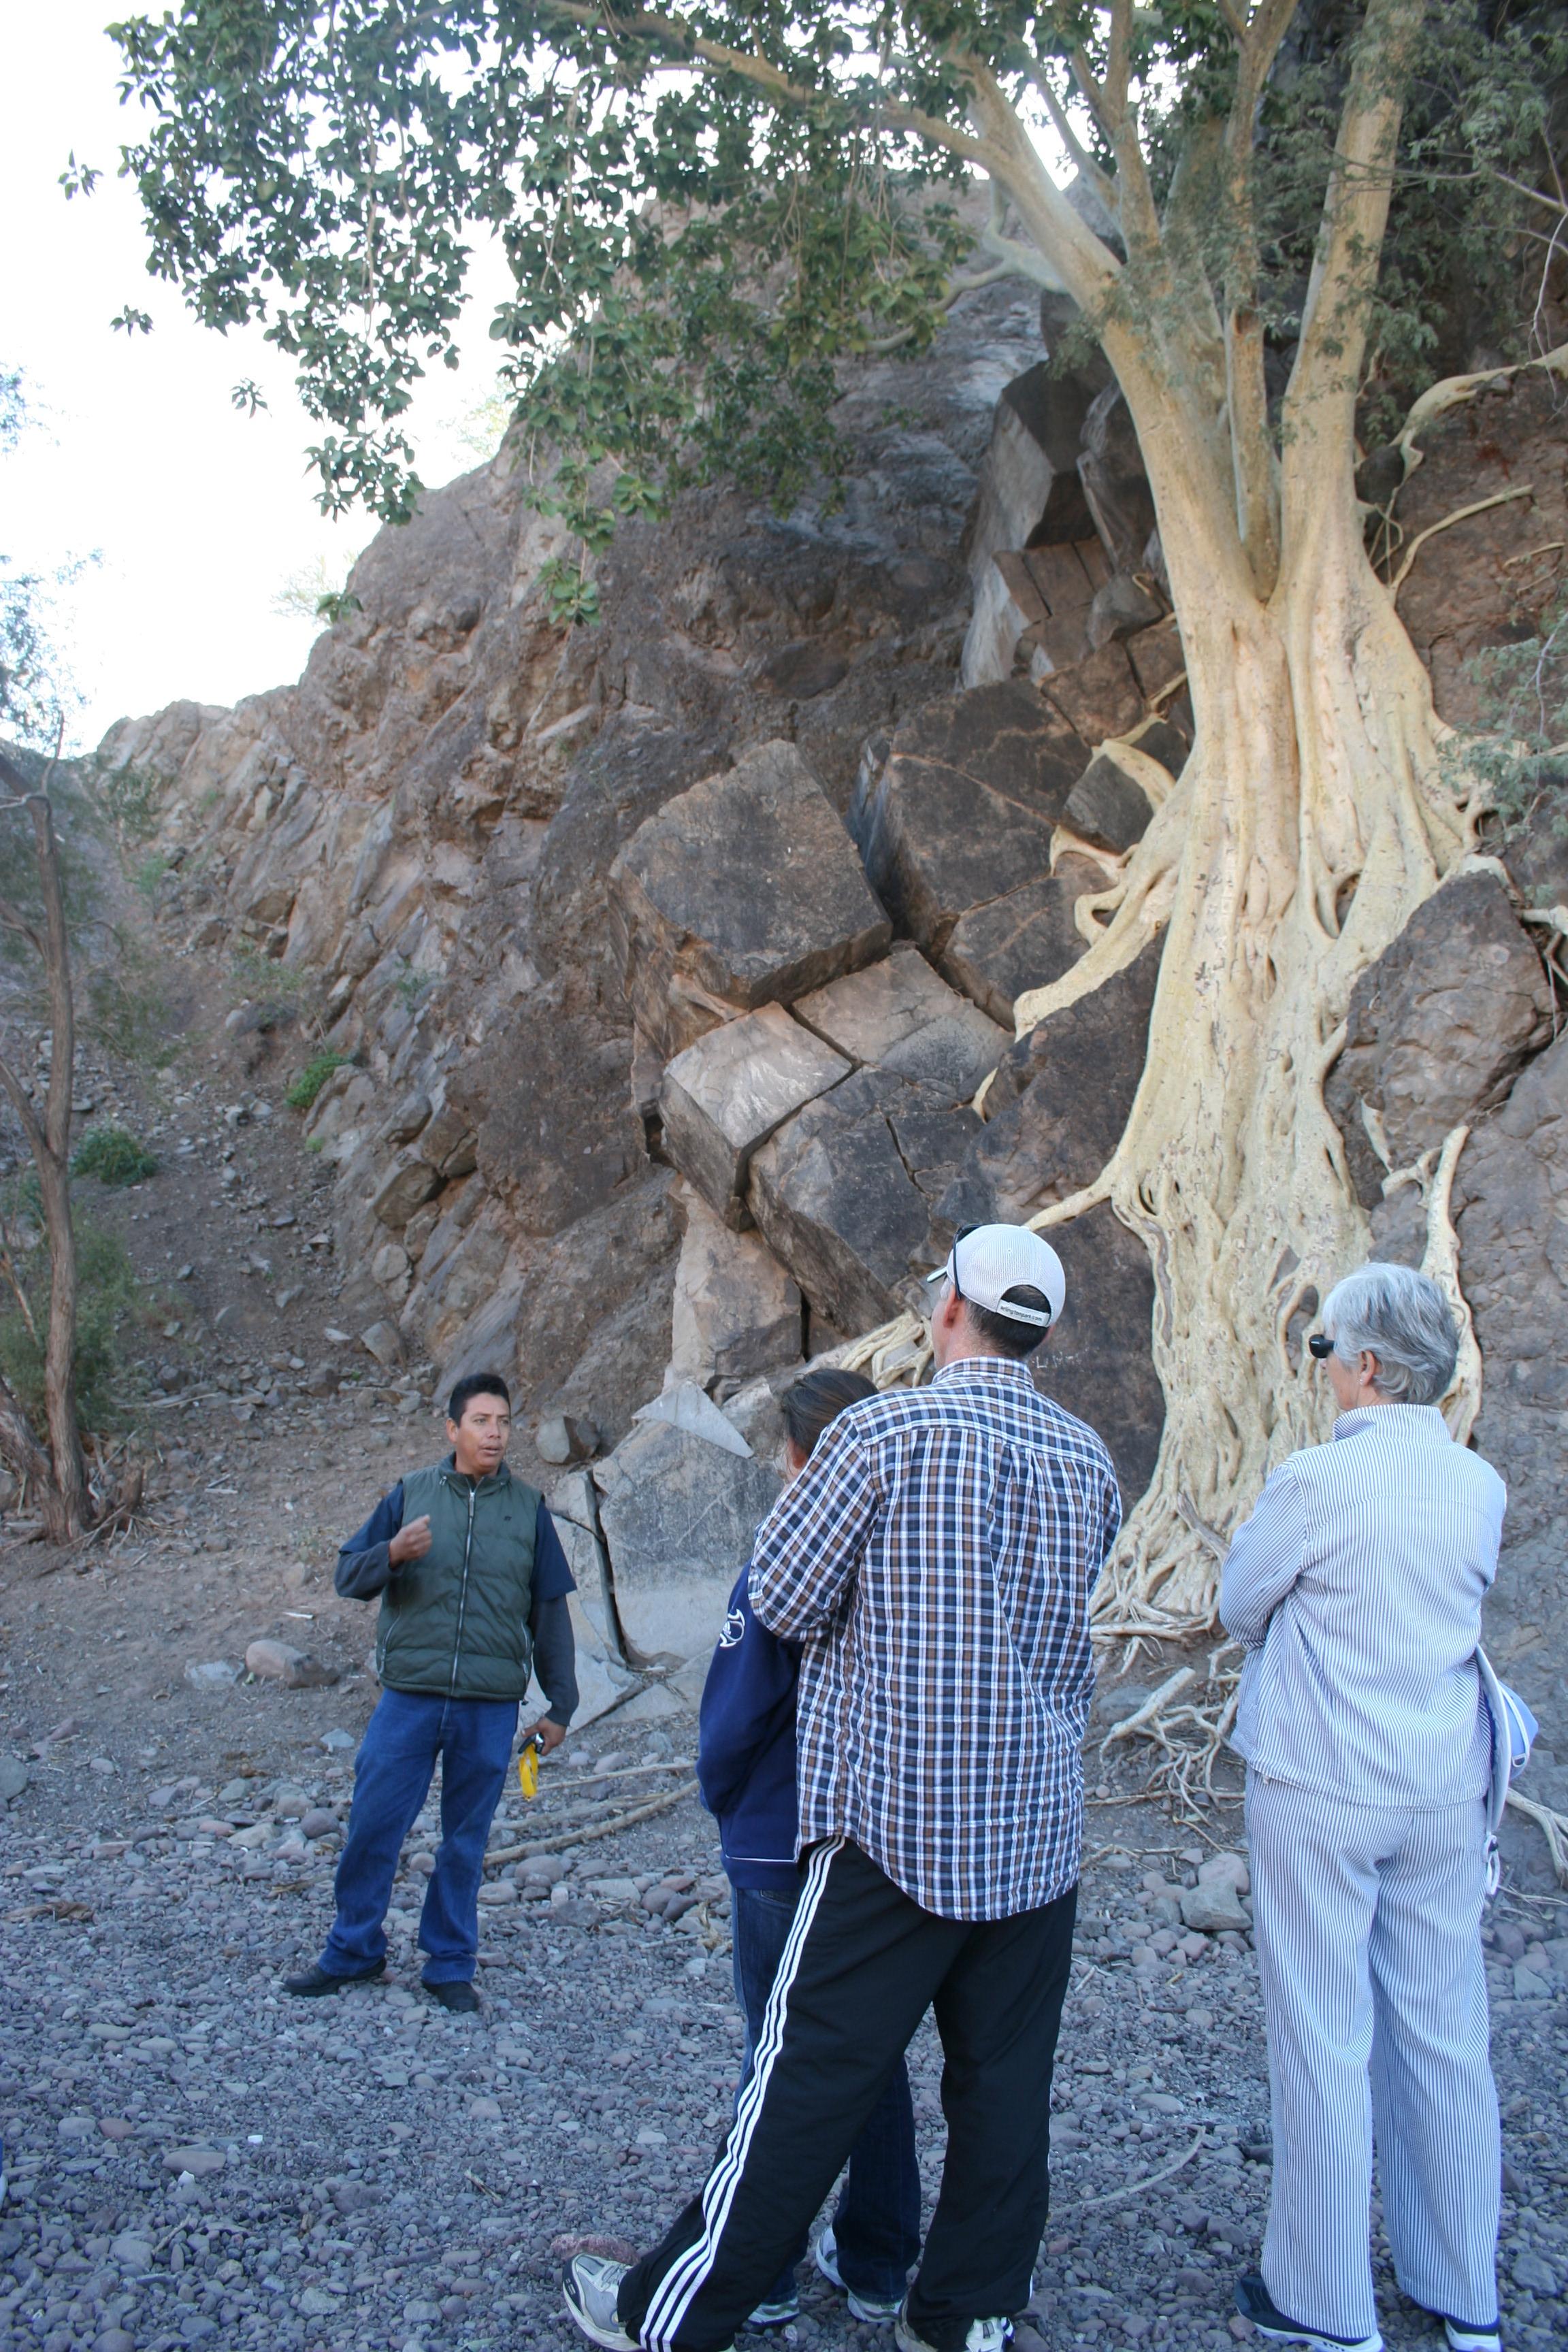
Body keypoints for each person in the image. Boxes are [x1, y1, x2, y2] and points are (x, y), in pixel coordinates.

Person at [564, 1223, 1122, 2352]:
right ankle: (962, 2318)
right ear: (1043, 1331)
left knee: (802, 2081)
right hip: (1033, 1835)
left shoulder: (878, 1433)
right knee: (1002, 2096)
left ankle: (668, 2317)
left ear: (949, 1310)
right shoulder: (1088, 1458)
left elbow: (779, 1599)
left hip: (891, 1829)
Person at [1220, 1263, 1506, 2352]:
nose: (1320, 1369)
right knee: (1446, 2032)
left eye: (1322, 1350)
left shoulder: (1312, 1481)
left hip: (1322, 1778)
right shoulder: (1476, 1486)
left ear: (1369, 1367)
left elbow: (1239, 1606)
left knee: (1321, 2032)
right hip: (1447, 1782)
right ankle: (1464, 2294)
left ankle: (1325, 2300)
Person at [697, 1364, 920, 2331]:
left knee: (774, 2046)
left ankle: (765, 2266)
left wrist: (725, 1798)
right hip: (876, 1843)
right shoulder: (916, 1559)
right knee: (868, 2048)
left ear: (795, 1456)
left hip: (780, 1838)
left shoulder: (787, 1556)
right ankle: (878, 2262)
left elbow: (738, 1708)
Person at [284, 1371, 578, 2014]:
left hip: (489, 1705)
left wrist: (561, 1706)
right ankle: (353, 1951)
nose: (494, 1433)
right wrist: (391, 1553)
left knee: (464, 1843)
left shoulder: (528, 1510)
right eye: (481, 1421)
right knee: (374, 1827)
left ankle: (449, 1964)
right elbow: (346, 1577)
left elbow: (550, 1612)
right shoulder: (411, 1495)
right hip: (409, 1700)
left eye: (502, 1421)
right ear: (453, 1429)